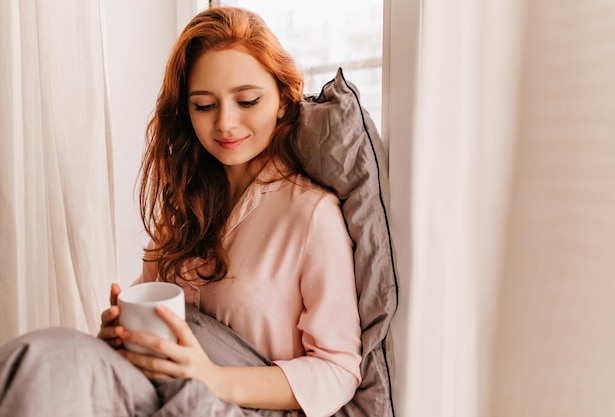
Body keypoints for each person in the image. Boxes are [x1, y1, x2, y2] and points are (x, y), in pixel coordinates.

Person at [0, 7, 361, 417]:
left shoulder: (312, 215)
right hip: (158, 393)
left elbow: (337, 370)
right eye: (204, 105)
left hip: (238, 404)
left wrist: (211, 376)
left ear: (282, 99)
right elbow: (153, 319)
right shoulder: (184, 211)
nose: (226, 123)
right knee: (40, 363)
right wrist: (120, 334)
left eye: (247, 100)